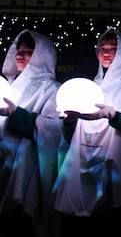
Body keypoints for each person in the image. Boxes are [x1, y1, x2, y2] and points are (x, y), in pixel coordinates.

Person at [54, 29, 121, 237]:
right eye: (102, 49)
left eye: (113, 49)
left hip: (117, 171)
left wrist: (115, 117)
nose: (106, 53)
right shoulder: (88, 88)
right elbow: (71, 137)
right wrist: (69, 123)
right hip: (82, 168)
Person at [0, 31, 61, 237]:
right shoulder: (7, 87)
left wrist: (19, 117)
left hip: (26, 169)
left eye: (28, 52)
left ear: (41, 56)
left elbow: (54, 129)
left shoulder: (51, 90)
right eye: (18, 51)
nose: (20, 55)